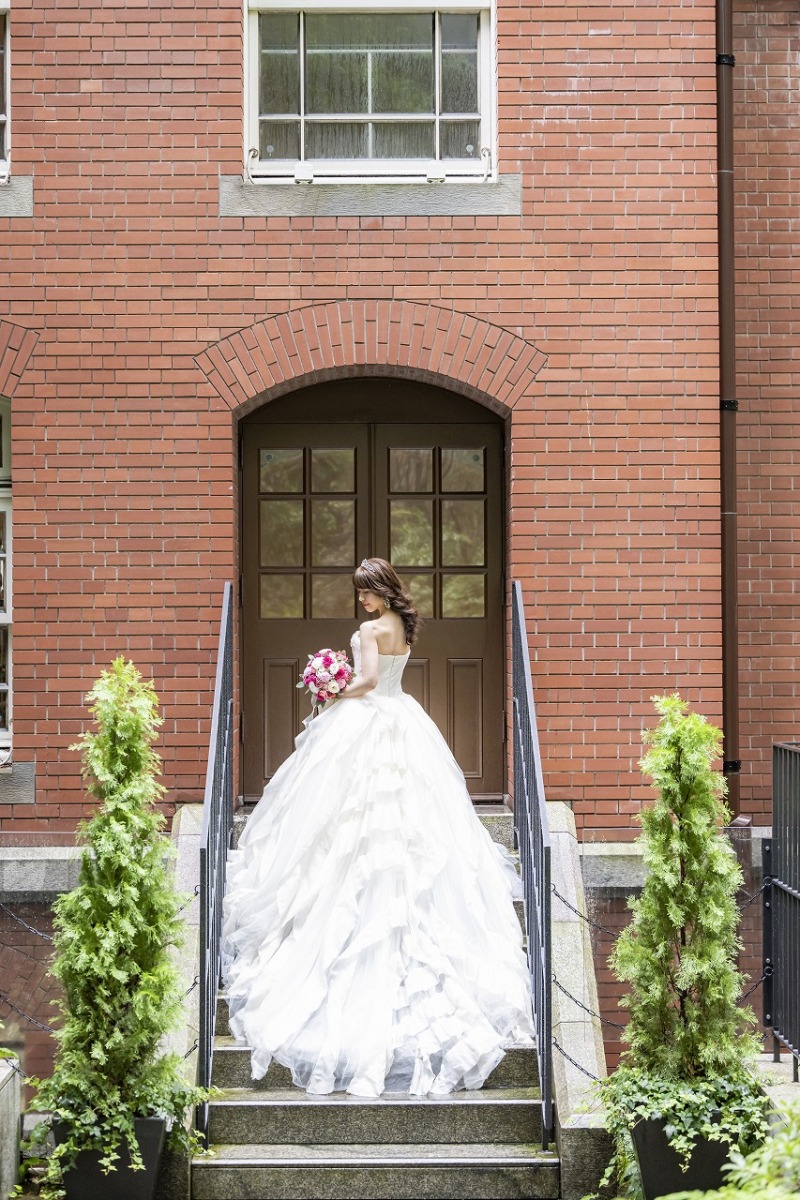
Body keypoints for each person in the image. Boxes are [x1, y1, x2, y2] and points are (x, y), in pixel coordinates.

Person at [221, 558, 534, 1097]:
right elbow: (385, 680)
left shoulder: (369, 630)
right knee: (399, 821)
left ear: (381, 591)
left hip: (367, 721)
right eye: (360, 593)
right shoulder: (404, 627)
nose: (362, 601)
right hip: (402, 719)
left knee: (349, 819)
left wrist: (328, 690)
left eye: (367, 592)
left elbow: (366, 681)